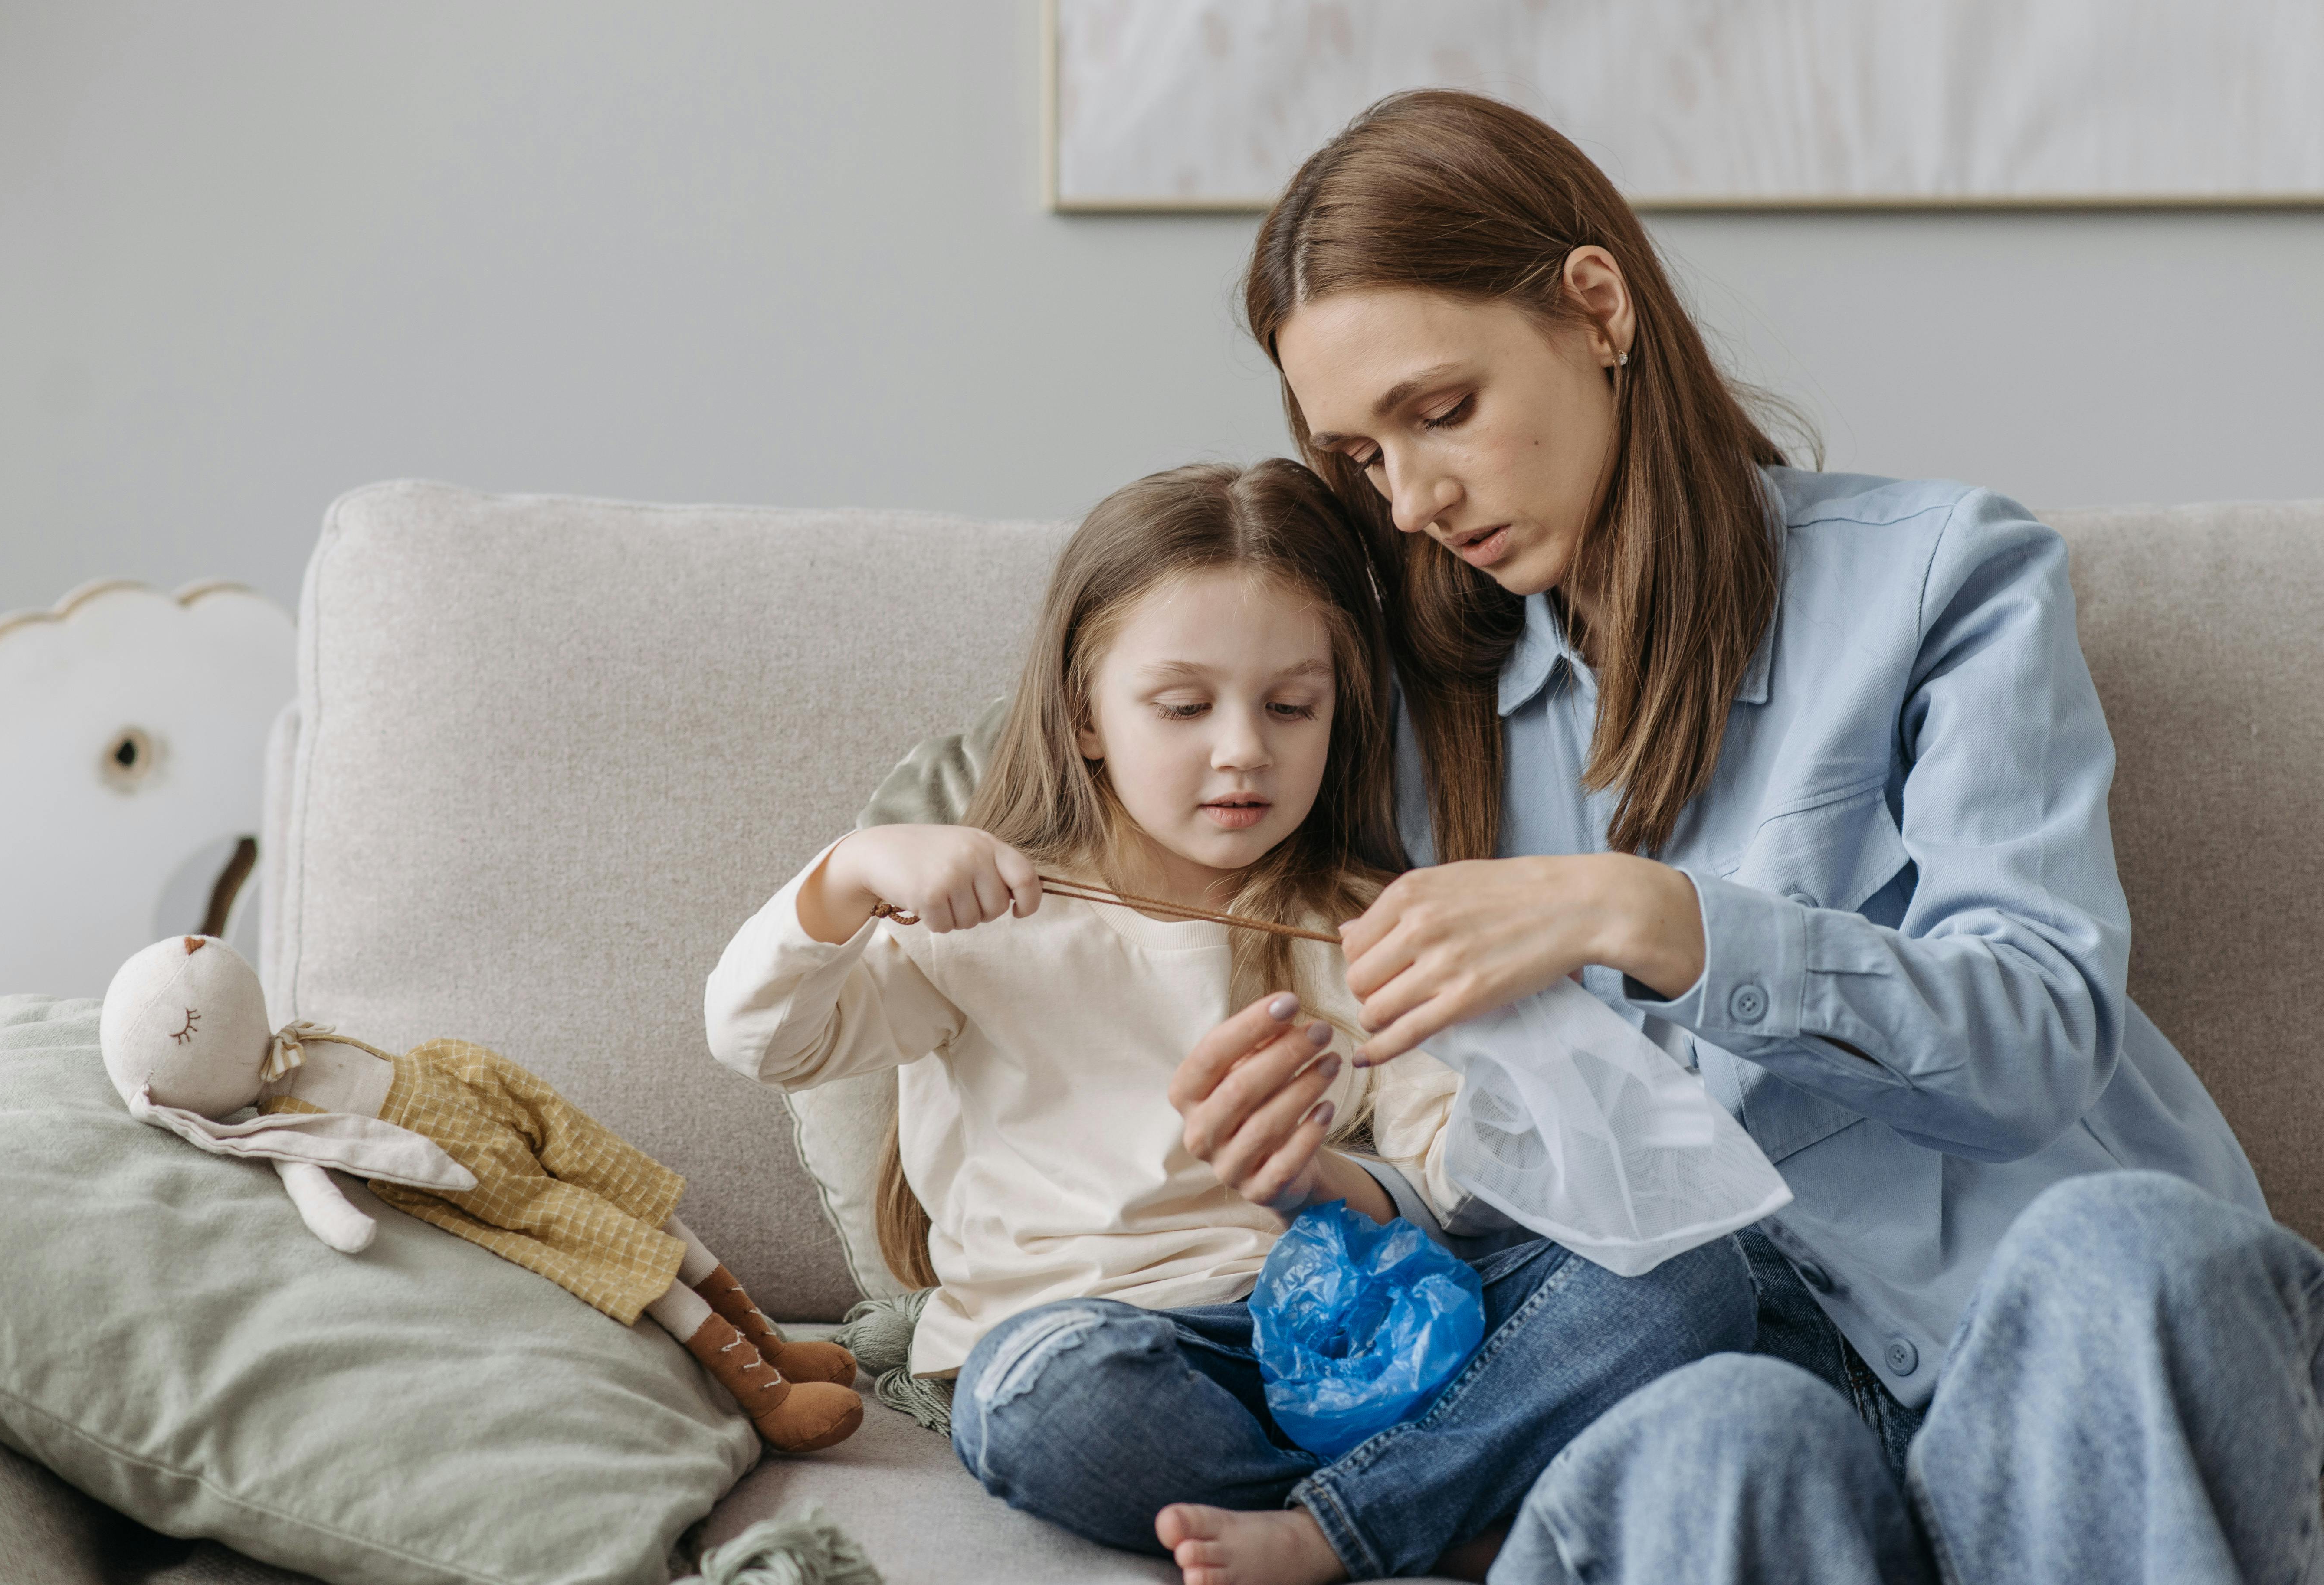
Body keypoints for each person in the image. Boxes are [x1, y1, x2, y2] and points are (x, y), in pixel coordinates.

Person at [873, 90, 2315, 1585]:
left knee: (2134, 1250)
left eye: (1442, 412)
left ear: (1595, 307)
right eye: (1363, 458)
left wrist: (1650, 916)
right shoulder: (1394, 730)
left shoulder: (1945, 580)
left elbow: (2040, 1038)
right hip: (1701, 1391)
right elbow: (1477, 1182)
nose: (1418, 499)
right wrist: (1323, 1173)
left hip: (2029, 1348)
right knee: (1719, 1428)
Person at [707, 460, 1754, 1584]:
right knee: (1039, 1397)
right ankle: (1436, 1506)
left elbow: (1453, 1176)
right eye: (1184, 707)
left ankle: (1341, 1527)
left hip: (1347, 1328)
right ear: (1083, 716)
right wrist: (846, 879)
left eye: (1290, 707)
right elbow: (769, 1040)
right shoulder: (984, 912)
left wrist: (1317, 1179)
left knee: (1698, 1269)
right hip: (1114, 1349)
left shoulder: (1355, 925)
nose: (1244, 750)